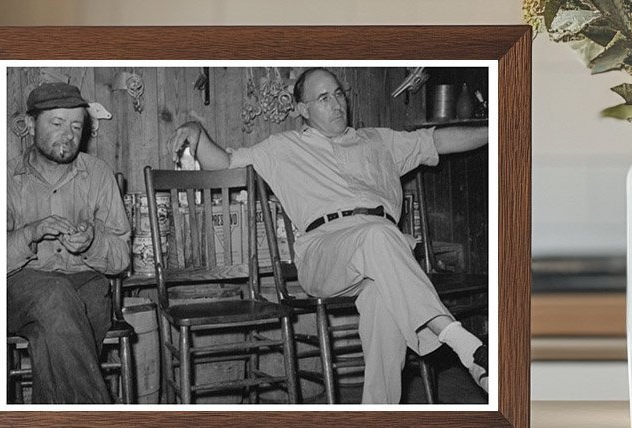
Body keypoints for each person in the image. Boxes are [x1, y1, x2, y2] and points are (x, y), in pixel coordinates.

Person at [169, 67, 489, 405]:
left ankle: (377, 418)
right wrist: (197, 131)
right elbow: (224, 162)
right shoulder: (282, 148)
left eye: (338, 94)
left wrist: (496, 129)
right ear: (303, 110)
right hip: (324, 254)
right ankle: (466, 347)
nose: (337, 104)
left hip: (382, 254)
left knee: (384, 295)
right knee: (380, 236)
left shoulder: (379, 140)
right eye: (323, 98)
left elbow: (437, 139)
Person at [7, 81, 131, 404]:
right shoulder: (5, 179)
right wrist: (30, 233)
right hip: (20, 289)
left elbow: (121, 257)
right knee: (56, 293)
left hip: (85, 283)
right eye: (57, 123)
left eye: (76, 126)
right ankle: (99, 421)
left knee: (48, 333)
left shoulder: (99, 174)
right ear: (31, 124)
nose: (68, 135)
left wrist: (92, 243)